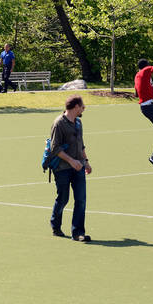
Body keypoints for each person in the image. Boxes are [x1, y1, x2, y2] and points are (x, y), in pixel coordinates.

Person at [49, 95, 92, 241]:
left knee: (81, 199)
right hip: (62, 168)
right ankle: (55, 225)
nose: (84, 108)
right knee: (63, 198)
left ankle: (78, 232)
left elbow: (81, 144)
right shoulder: (59, 123)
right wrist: (71, 161)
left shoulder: (78, 123)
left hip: (78, 167)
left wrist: (85, 161)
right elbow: (54, 148)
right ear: (75, 107)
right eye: (82, 106)